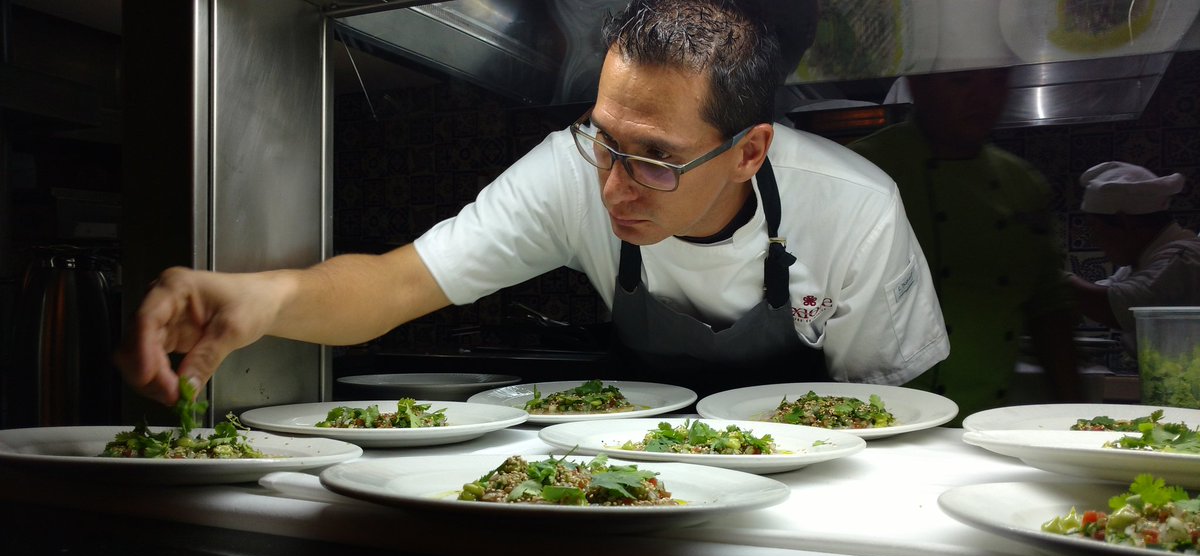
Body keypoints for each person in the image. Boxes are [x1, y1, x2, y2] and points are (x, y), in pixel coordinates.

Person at [116, 0, 948, 406]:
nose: (615, 183)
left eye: (656, 159)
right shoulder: (572, 169)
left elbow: (893, 421)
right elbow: (398, 284)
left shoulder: (857, 212)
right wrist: (259, 299)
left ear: (751, 151)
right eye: (604, 138)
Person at [850, 68, 1081, 423]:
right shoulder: (863, 168)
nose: (983, 98)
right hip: (876, 420)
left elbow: (1049, 307)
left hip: (985, 421)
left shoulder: (1021, 183)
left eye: (996, 81)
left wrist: (1075, 414)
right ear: (918, 85)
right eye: (961, 82)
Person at [1067, 161, 1197, 355]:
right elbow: (1106, 291)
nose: (1094, 238)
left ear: (1124, 222)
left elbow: (1117, 306)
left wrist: (1045, 274)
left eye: (1094, 227)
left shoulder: (1181, 257)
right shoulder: (1143, 259)